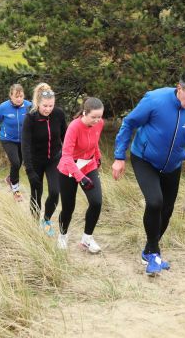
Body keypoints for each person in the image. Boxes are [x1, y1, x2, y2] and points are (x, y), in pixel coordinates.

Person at [112, 69, 185, 276]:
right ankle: (154, 254)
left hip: (172, 164)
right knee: (155, 201)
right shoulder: (155, 100)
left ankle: (148, 251)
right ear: (179, 88)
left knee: (167, 210)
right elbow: (129, 123)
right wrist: (119, 156)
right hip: (144, 158)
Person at [56, 97, 105, 254]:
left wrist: (97, 157)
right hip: (69, 169)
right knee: (68, 207)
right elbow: (66, 156)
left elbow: (95, 141)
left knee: (96, 202)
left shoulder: (99, 123)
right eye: (94, 117)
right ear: (85, 113)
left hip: (88, 165)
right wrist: (80, 177)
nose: (97, 120)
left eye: (100, 116)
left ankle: (86, 239)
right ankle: (62, 236)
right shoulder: (74, 127)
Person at [21, 83, 67, 235]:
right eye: (45, 106)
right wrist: (29, 170)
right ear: (38, 103)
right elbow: (25, 145)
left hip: (54, 159)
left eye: (51, 106)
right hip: (35, 161)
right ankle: (34, 225)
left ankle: (46, 220)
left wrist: (68, 158)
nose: (48, 109)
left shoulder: (59, 114)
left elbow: (65, 137)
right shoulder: (30, 118)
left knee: (55, 192)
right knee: (36, 193)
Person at [0, 84, 31, 202]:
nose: (19, 99)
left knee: (19, 163)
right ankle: (16, 190)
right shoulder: (3, 107)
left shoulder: (29, 106)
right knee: (15, 162)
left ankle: (10, 179)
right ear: (11, 96)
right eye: (16, 96)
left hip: (24, 140)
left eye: (21, 96)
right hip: (8, 139)